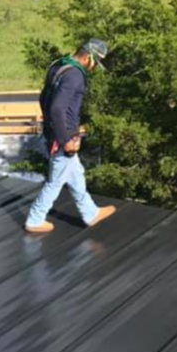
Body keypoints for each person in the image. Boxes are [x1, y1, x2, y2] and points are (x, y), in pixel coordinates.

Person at [25, 39, 117, 233]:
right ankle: (35, 218)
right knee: (56, 180)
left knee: (75, 173)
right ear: (87, 56)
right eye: (94, 63)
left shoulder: (59, 65)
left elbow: (44, 99)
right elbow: (58, 108)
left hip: (56, 132)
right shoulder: (74, 75)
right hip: (63, 137)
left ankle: (90, 213)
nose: (93, 69)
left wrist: (52, 128)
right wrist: (65, 139)